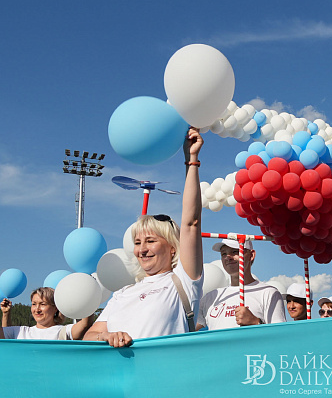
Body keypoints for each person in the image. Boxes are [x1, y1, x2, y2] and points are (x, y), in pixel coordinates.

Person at [83, 127, 204, 347]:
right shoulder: (122, 293)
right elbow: (89, 335)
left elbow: (191, 222)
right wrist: (107, 336)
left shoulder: (183, 280)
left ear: (173, 247)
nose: (142, 249)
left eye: (151, 241)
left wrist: (192, 160)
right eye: (138, 242)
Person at [197, 239, 286, 330]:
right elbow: (189, 328)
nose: (228, 257)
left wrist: (256, 322)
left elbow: (280, 334)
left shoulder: (268, 293)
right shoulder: (211, 297)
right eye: (223, 254)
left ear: (251, 255)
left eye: (235, 251)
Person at [0, 288, 93, 340]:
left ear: (55, 308)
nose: (37, 309)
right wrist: (6, 313)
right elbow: (4, 336)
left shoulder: (64, 331)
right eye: (34, 304)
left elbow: (85, 324)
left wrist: (87, 294)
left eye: (43, 304)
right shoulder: (20, 331)